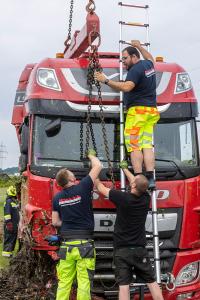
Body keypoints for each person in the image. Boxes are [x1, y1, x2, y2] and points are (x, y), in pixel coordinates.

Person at [94, 40, 160, 189]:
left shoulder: (135, 70)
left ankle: (138, 179)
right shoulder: (148, 65)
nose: (123, 62)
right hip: (151, 112)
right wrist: (139, 46)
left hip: (137, 112)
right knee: (147, 145)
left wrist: (105, 80)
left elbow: (127, 87)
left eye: (125, 58)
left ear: (134, 57)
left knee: (134, 146)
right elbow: (150, 57)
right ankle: (150, 178)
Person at [95, 161, 164, 300]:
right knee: (152, 282)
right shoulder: (146, 198)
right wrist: (126, 170)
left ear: (133, 186)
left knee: (124, 286)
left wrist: (94, 176)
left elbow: (101, 189)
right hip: (140, 250)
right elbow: (138, 183)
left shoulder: (122, 198)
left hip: (122, 251)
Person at [52, 150, 102, 300]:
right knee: (84, 283)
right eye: (70, 172)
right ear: (71, 178)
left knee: (64, 282)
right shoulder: (84, 186)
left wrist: (67, 222)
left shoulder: (57, 198)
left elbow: (55, 222)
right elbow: (98, 166)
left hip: (66, 246)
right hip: (84, 246)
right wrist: (91, 155)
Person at [2, 185, 20, 257]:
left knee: (12, 239)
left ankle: (10, 254)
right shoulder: (8, 202)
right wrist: (9, 224)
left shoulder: (13, 201)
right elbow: (7, 214)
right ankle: (6, 254)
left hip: (14, 225)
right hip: (10, 225)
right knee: (9, 239)